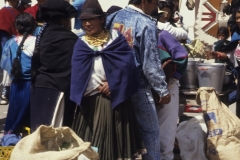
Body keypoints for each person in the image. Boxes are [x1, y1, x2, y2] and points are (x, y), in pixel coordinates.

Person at [71, 0, 146, 159]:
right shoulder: (81, 43)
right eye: (84, 20)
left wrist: (114, 84)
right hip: (89, 100)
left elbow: (127, 66)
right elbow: (77, 72)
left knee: (111, 144)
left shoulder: (115, 38)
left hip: (113, 98)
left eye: (91, 19)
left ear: (102, 19)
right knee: (90, 143)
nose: (87, 24)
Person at [106, 0, 171, 159]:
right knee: (151, 133)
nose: (155, 6)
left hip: (112, 85)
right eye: (154, 2)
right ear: (144, 2)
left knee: (119, 132)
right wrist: (162, 89)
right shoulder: (145, 23)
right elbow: (150, 63)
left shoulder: (113, 17)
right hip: (137, 86)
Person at [30, 0, 78, 131]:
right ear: (64, 20)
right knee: (56, 136)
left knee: (39, 135)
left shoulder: (43, 36)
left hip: (40, 89)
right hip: (59, 94)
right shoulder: (71, 39)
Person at [1, 12, 36, 135]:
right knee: (29, 117)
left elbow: (5, 64)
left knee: (15, 114)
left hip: (16, 85)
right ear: (33, 26)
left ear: (16, 27)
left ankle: (11, 141)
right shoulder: (37, 43)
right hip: (32, 85)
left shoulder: (10, 43)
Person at [156, 28, 188, 160]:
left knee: (165, 131)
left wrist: (172, 79)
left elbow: (182, 56)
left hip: (168, 87)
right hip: (146, 89)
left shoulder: (162, 35)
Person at [210, 7, 240, 118]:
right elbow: (231, 55)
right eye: (237, 18)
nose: (238, 20)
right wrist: (217, 54)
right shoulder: (236, 37)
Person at [0, 0, 21, 105]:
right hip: (10, 43)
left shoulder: (15, 11)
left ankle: (6, 92)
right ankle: (5, 91)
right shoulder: (4, 12)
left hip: (12, 42)